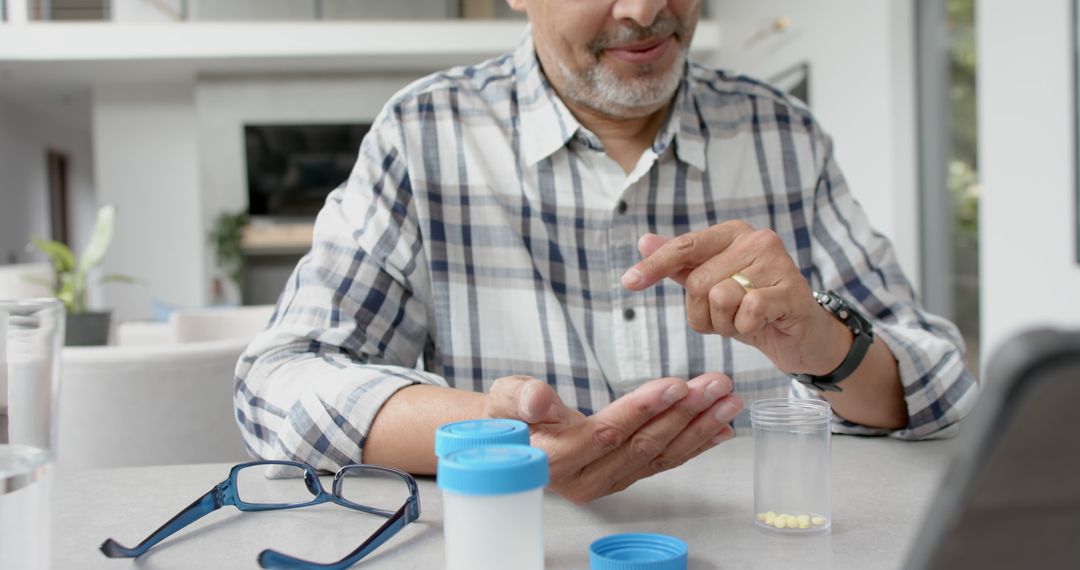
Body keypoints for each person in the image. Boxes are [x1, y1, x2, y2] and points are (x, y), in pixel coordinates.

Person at [235, 0, 977, 505]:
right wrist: (491, 436)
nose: (646, 9)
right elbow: (279, 382)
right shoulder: (424, 134)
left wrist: (824, 341)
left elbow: (942, 388)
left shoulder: (783, 135)